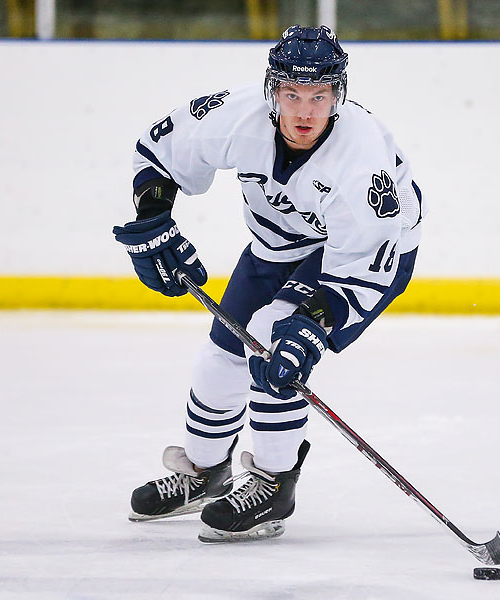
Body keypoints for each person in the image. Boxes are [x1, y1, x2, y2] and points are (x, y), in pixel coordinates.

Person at [113, 24, 425, 543]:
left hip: (361, 256)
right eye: (292, 95)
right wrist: (155, 220)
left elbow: (368, 261)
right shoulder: (240, 119)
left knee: (274, 340)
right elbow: (160, 150)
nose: (305, 112)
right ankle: (205, 471)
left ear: (337, 97)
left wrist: (316, 322)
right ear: (272, 92)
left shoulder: (360, 163)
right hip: (277, 244)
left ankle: (275, 481)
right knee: (222, 355)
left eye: (320, 96)